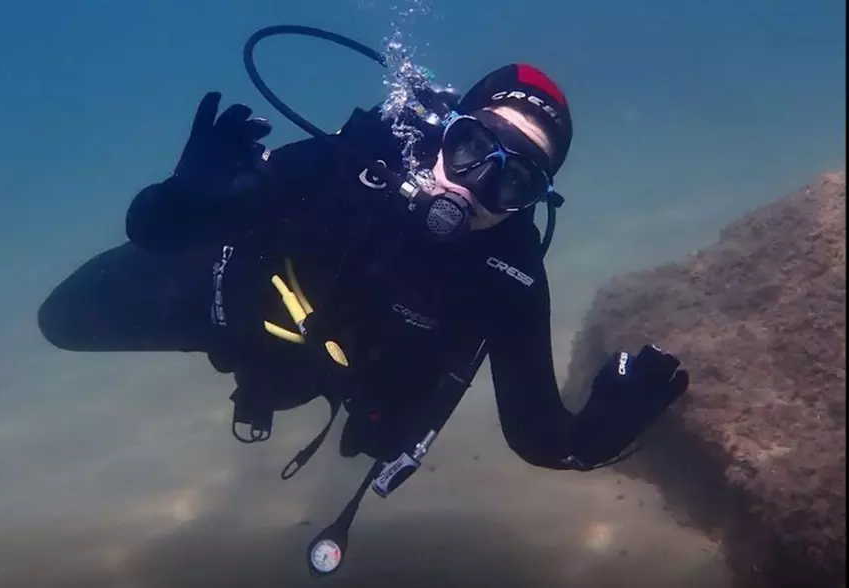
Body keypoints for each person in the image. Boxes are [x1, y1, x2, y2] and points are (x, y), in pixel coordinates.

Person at [38, 63, 689, 476]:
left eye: (512, 181)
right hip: (221, 310)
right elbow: (155, 233)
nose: (474, 186)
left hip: (333, 380)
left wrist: (608, 425)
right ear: (443, 134)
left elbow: (544, 437)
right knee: (60, 320)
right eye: (470, 149)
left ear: (529, 202)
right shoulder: (350, 165)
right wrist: (182, 197)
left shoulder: (508, 271)